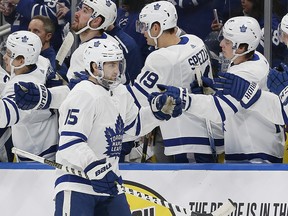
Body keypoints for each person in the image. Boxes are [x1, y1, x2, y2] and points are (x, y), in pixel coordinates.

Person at [52, 38, 182, 215]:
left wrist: (156, 113)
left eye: (118, 64)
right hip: (78, 183)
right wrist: (95, 168)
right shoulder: (83, 94)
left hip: (109, 183)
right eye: (111, 65)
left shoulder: (121, 92)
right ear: (94, 66)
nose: (117, 71)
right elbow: (70, 144)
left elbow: (132, 128)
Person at [165, 16, 285, 163]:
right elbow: (237, 102)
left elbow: (219, 111)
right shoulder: (253, 58)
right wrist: (213, 92)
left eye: (227, 41)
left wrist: (187, 100)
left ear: (242, 47)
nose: (221, 43)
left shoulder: (247, 72)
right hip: (259, 147)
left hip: (255, 155)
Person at [128, 1, 224, 163]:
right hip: (211, 131)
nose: (142, 32)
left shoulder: (161, 58)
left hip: (188, 140)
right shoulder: (195, 42)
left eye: (145, 26)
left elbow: (135, 101)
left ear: (156, 28)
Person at [2, 30, 59, 161]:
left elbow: (3, 116)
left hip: (33, 154)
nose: (5, 57)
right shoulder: (41, 61)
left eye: (10, 54)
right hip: (49, 142)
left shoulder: (19, 88)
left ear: (22, 60)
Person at [0, 0, 71, 52]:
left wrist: (19, 2)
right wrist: (10, 13)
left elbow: (49, 15)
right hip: (18, 47)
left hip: (43, 52)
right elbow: (19, 19)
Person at [28, 15, 69, 83]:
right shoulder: (26, 58)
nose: (30, 35)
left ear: (48, 36)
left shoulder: (56, 66)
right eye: (29, 30)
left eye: (36, 31)